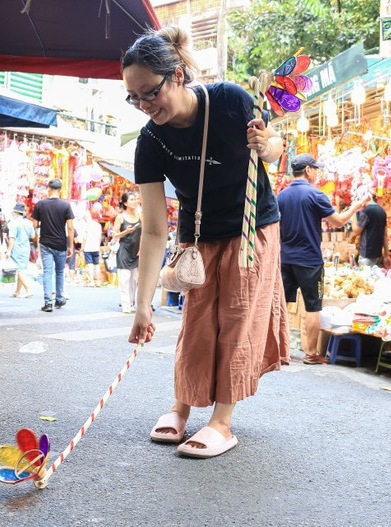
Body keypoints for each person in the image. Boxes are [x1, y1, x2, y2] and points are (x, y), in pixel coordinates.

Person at [124, 26, 288, 458]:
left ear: (177, 75)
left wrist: (267, 146)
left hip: (250, 228)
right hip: (197, 238)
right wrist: (143, 305)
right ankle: (180, 408)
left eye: (149, 92)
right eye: (134, 98)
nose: (143, 106)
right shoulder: (151, 140)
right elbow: (155, 228)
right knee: (197, 323)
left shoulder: (232, 100)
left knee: (237, 318)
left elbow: (275, 145)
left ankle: (221, 421)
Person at [276, 153, 369, 365]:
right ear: (308, 170)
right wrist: (355, 207)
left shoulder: (281, 196)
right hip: (309, 260)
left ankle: (279, 351)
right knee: (312, 307)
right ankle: (310, 353)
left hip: (285, 258)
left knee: (281, 304)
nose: (317, 172)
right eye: (315, 168)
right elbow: (337, 222)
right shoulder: (315, 195)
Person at [31, 179, 74, 312]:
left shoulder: (40, 204)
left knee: (47, 272)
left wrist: (38, 237)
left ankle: (48, 302)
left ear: (48, 189)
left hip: (45, 243)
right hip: (60, 243)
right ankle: (60, 298)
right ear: (60, 190)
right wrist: (71, 246)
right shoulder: (66, 206)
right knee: (60, 272)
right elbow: (71, 228)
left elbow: (35, 225)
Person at [111, 192, 141, 312]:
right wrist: (126, 232)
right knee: (124, 278)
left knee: (134, 279)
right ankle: (125, 304)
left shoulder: (140, 215)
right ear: (125, 203)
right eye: (132, 199)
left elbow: (144, 234)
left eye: (136, 199)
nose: (135, 201)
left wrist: (142, 248)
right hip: (124, 250)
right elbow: (114, 235)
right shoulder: (120, 217)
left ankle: (131, 302)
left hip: (137, 251)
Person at [351, 190, 391, 269]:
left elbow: (356, 230)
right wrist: (386, 256)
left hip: (367, 255)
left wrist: (354, 212)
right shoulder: (382, 211)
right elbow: (384, 235)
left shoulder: (367, 211)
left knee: (366, 279)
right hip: (378, 255)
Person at [6, 202, 36, 298]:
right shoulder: (29, 223)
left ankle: (28, 289)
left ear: (15, 212)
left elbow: (12, 238)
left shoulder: (14, 223)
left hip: (17, 249)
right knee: (21, 269)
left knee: (18, 270)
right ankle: (17, 291)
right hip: (26, 248)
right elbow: (33, 236)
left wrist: (8, 251)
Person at [79, 210, 103, 287]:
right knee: (97, 265)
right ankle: (98, 281)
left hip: (88, 248)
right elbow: (100, 238)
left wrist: (82, 249)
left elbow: (84, 238)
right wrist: (98, 247)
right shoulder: (98, 225)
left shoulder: (85, 226)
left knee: (90, 265)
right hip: (96, 247)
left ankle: (92, 281)